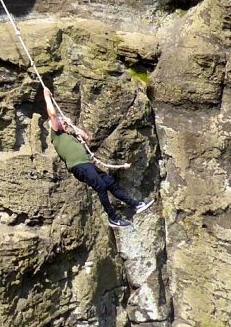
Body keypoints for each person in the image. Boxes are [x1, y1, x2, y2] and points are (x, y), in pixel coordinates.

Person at [43, 86, 154, 228]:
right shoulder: (56, 135)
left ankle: (136, 205)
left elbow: (86, 137)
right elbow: (52, 114)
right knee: (101, 187)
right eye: (61, 122)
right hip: (79, 167)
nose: (63, 122)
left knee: (110, 183)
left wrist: (72, 125)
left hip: (87, 165)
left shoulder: (71, 135)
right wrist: (47, 96)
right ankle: (113, 217)